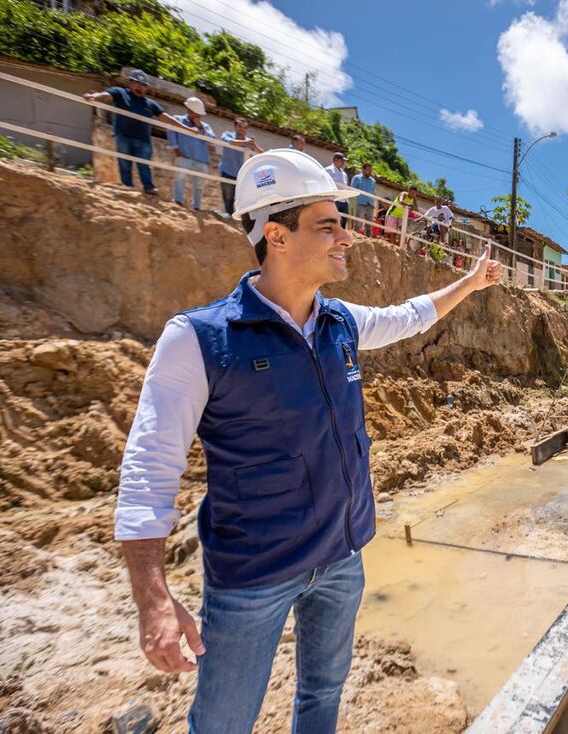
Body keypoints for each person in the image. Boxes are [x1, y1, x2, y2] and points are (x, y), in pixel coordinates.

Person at [114, 148, 505, 734]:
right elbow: (149, 469)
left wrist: (469, 285)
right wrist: (154, 601)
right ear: (277, 235)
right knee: (223, 722)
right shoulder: (198, 340)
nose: (346, 238)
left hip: (342, 559)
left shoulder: (339, 323)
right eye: (328, 225)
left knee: (323, 697)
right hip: (253, 576)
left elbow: (409, 316)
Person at [83, 68, 183, 194]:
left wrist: (185, 128)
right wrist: (93, 96)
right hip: (123, 136)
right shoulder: (120, 93)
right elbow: (106, 95)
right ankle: (127, 187)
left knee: (144, 165)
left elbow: (166, 118)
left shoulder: (150, 103)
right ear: (130, 83)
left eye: (144, 85)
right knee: (124, 164)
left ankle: (149, 188)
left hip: (143, 140)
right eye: (138, 84)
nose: (141, 88)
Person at [168, 97, 216, 209]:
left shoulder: (205, 126)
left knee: (198, 185)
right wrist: (176, 150)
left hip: (201, 159)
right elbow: (171, 133)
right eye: (196, 113)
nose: (199, 115)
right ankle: (178, 201)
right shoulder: (178, 120)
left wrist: (201, 127)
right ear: (189, 110)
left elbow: (212, 139)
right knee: (180, 179)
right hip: (184, 156)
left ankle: (197, 207)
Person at [218, 117, 262, 216]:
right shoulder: (227, 134)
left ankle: (239, 217)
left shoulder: (249, 141)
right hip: (227, 171)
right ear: (235, 126)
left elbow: (261, 153)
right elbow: (229, 141)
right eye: (240, 126)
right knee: (228, 196)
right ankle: (229, 216)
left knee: (241, 198)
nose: (242, 129)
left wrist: (254, 145)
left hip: (242, 174)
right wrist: (246, 143)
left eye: (245, 127)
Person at [350, 163, 376, 235]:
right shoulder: (356, 178)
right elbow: (352, 190)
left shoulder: (373, 181)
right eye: (368, 170)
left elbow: (373, 192)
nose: (370, 172)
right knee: (358, 223)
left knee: (369, 224)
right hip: (361, 203)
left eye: (371, 170)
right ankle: (355, 237)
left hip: (370, 204)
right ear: (363, 169)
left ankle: (368, 239)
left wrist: (373, 203)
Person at [324, 153, 349, 226]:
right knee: (333, 221)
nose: (343, 163)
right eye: (342, 161)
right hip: (335, 199)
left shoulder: (344, 174)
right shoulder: (328, 170)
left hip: (344, 200)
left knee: (343, 222)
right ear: (336, 160)